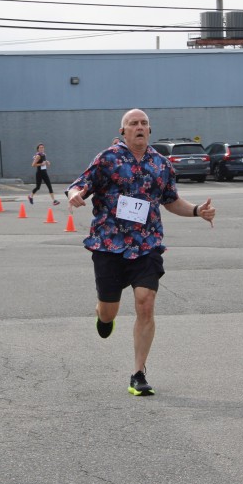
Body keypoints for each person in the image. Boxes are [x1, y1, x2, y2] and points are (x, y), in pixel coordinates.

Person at [66, 109, 216, 396]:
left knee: (145, 302)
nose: (139, 127)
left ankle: (138, 373)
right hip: (109, 244)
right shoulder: (108, 159)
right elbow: (80, 185)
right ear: (123, 131)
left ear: (149, 130)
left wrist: (198, 210)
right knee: (109, 311)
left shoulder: (161, 164)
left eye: (143, 123)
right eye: (133, 123)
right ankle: (103, 315)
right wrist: (75, 195)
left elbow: (171, 201)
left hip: (147, 244)